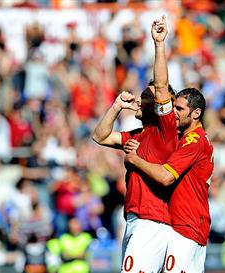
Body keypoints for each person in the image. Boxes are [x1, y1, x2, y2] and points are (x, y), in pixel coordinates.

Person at [92, 16, 178, 272]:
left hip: (152, 221)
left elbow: (160, 85)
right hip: (134, 219)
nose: (139, 101)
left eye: (145, 97)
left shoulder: (165, 130)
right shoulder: (136, 135)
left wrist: (159, 44)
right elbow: (101, 136)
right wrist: (117, 106)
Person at [124, 88, 214, 272]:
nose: (174, 113)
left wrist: (135, 159)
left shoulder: (194, 140)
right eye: (173, 108)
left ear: (196, 113)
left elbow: (166, 177)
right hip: (191, 224)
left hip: (186, 224)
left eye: (180, 109)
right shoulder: (187, 139)